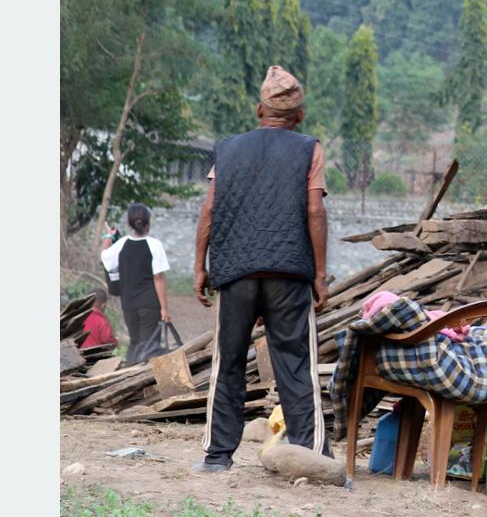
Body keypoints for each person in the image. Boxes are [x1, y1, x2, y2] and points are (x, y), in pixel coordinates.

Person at [191, 66, 331, 474]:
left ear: (259, 110)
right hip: (289, 271)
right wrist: (320, 275)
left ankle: (217, 457)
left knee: (228, 362)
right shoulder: (309, 149)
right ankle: (312, 457)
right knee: (296, 364)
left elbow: (209, 209)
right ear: (299, 116)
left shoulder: (228, 150)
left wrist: (200, 266)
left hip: (235, 270)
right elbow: (315, 211)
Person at [100, 204, 170, 362]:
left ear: (129, 225)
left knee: (135, 343)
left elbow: (104, 257)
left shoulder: (122, 244)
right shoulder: (154, 245)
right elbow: (158, 278)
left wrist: (109, 236)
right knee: (149, 347)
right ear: (148, 224)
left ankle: (129, 372)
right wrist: (164, 308)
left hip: (129, 305)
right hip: (150, 305)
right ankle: (142, 375)